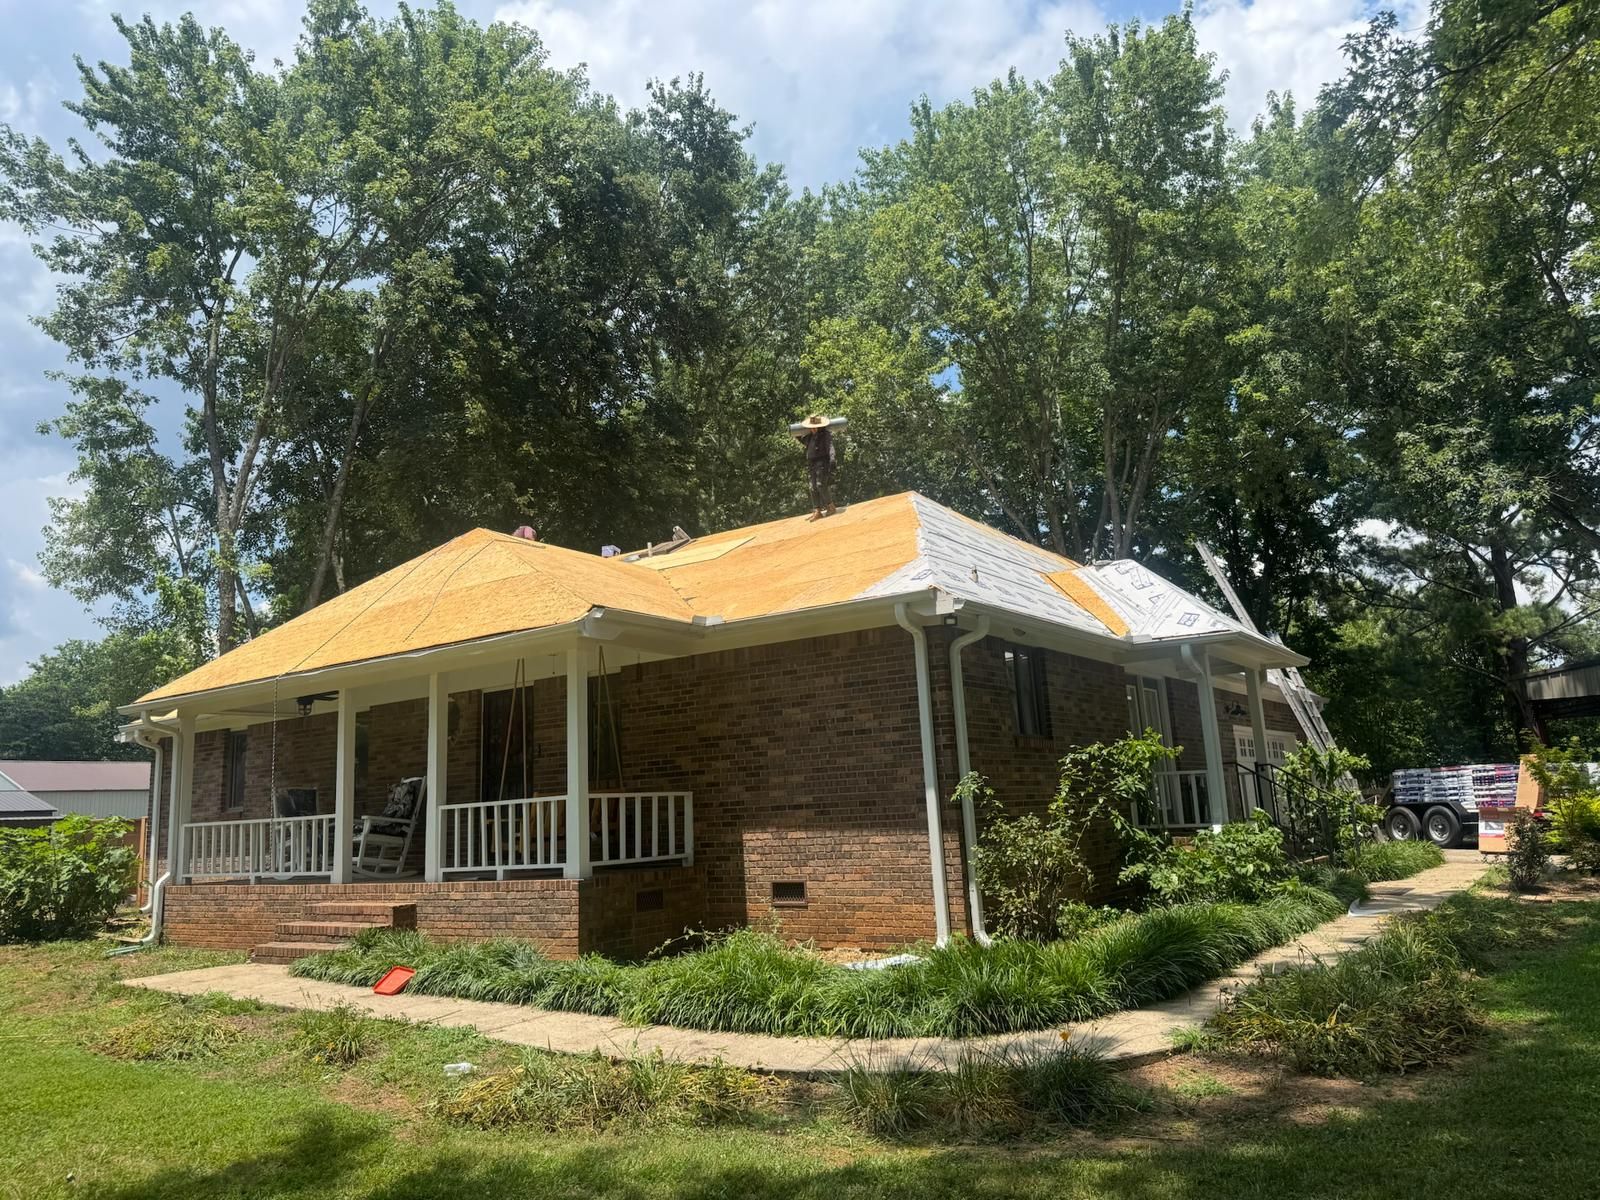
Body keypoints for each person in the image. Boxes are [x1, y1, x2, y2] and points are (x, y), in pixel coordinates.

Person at [796, 413, 838, 520]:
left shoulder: (825, 435)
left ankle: (830, 507)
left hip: (822, 463)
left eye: (815, 427)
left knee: (820, 485)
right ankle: (817, 511)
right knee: (812, 487)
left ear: (819, 426)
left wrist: (832, 458)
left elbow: (830, 446)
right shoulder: (809, 436)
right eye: (811, 428)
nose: (813, 429)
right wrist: (797, 434)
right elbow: (804, 442)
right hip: (812, 464)